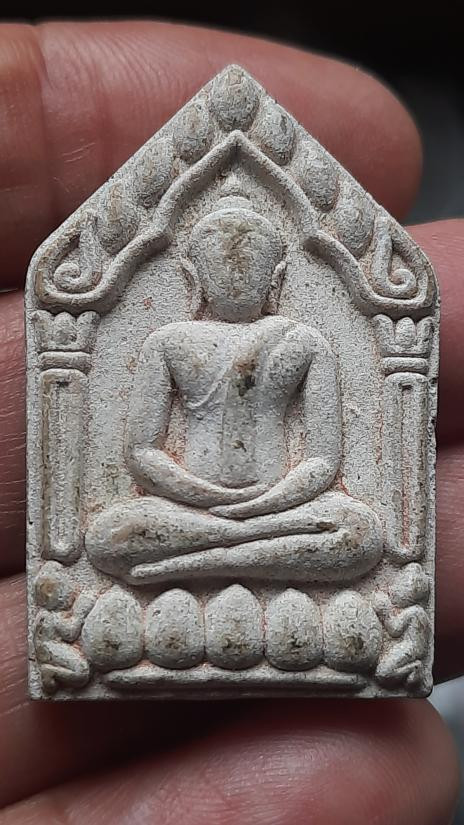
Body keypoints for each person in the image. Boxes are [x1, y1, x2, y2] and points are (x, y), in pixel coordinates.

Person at [0, 19, 461, 824]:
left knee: (360, 533)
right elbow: (142, 452)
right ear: (191, 267)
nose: (238, 276)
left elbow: (322, 461)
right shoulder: (170, 340)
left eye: (253, 265)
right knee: (110, 534)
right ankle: (227, 563)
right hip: (190, 512)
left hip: (285, 511)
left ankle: (205, 567)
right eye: (223, 263)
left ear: (281, 270)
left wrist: (262, 504)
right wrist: (209, 502)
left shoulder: (306, 339)